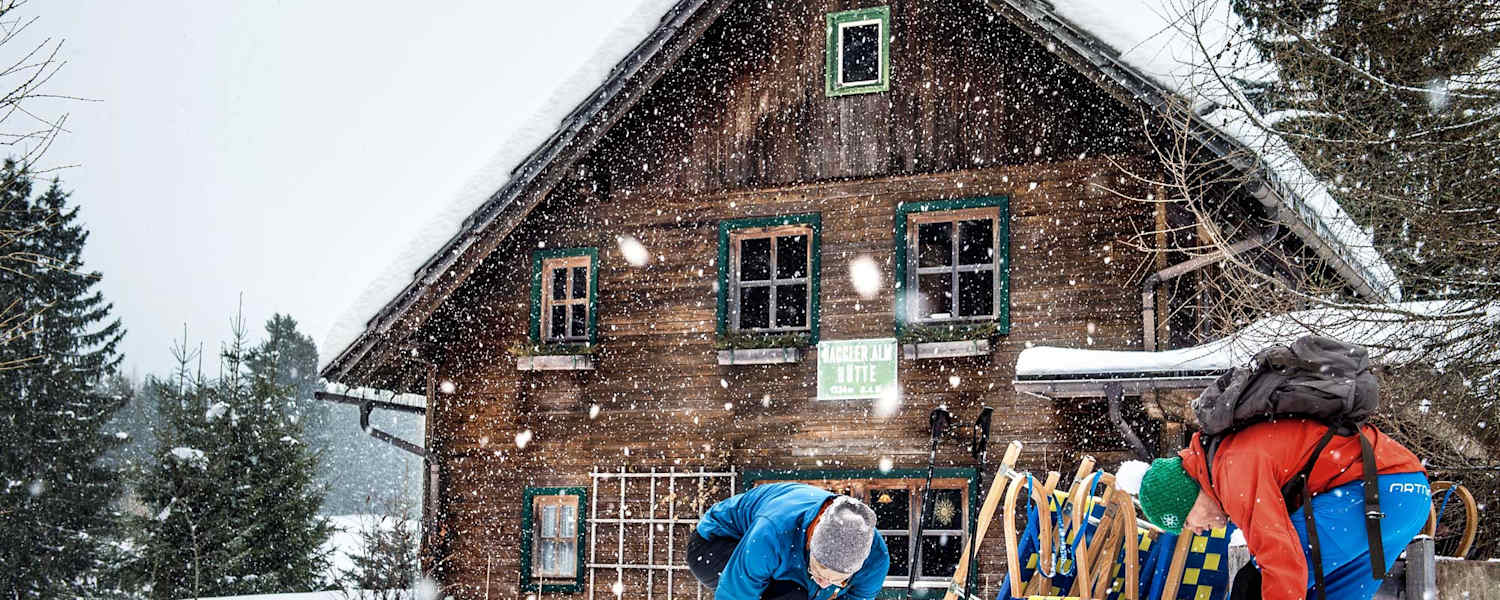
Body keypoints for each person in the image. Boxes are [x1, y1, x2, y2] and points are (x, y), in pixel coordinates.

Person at [1137, 418, 1428, 600]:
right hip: (1410, 493)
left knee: (1255, 583)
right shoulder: (1228, 459)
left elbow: (1281, 558)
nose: (1197, 530)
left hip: (1374, 490)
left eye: (1187, 523)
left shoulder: (1231, 469)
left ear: (1189, 497)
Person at [686, 482, 891, 600]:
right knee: (792, 595)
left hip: (785, 556)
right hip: (714, 543)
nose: (823, 583)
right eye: (819, 571)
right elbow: (735, 595)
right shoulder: (772, 532)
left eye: (839, 580)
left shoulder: (875, 561)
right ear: (811, 542)